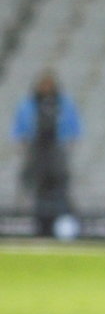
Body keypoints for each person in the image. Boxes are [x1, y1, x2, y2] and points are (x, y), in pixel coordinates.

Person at [11, 69, 81, 238]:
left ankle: (60, 223)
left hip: (56, 151)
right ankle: (39, 225)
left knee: (58, 190)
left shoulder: (64, 104)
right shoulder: (28, 104)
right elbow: (20, 130)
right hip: (37, 151)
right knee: (37, 189)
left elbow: (73, 128)